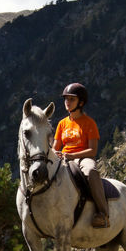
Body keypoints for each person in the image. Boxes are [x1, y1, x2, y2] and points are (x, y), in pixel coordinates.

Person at [53, 82, 109, 228]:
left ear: (81, 102)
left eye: (72, 99)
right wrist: (54, 155)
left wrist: (72, 156)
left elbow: (93, 151)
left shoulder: (89, 123)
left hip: (83, 158)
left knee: (91, 172)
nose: (67, 102)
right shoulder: (61, 124)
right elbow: (55, 147)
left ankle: (103, 213)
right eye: (66, 99)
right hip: (63, 158)